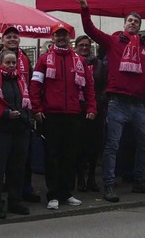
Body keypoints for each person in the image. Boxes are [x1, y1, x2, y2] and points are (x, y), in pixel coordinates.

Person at [76, 0, 145, 203]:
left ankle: (139, 180)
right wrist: (85, 8)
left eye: (136, 22)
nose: (132, 24)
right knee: (112, 145)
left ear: (139, 27)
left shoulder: (144, 47)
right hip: (118, 103)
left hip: (138, 103)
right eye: (130, 21)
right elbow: (90, 30)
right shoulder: (114, 41)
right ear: (124, 24)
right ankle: (110, 185)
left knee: (144, 143)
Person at [30, 23, 97, 210]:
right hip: (51, 115)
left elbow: (89, 87)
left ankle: (67, 193)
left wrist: (92, 107)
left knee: (70, 156)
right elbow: (35, 86)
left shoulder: (79, 60)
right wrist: (37, 109)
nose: (61, 38)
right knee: (52, 156)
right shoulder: (43, 60)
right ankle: (52, 195)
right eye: (58, 35)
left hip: (74, 115)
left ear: (69, 38)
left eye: (64, 35)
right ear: (53, 38)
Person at [0, 49, 33, 219]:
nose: (11, 65)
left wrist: (25, 116)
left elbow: (27, 103)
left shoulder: (20, 80)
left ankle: (15, 201)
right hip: (0, 130)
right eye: (8, 62)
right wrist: (6, 114)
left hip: (20, 129)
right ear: (1, 63)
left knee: (17, 168)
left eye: (14, 62)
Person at [74, 35, 107, 193]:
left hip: (96, 110)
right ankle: (80, 178)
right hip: (78, 110)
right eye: (81, 45)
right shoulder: (73, 63)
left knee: (94, 145)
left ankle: (92, 178)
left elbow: (104, 86)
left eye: (87, 45)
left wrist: (98, 104)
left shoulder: (99, 64)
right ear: (76, 46)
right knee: (80, 146)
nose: (84, 48)